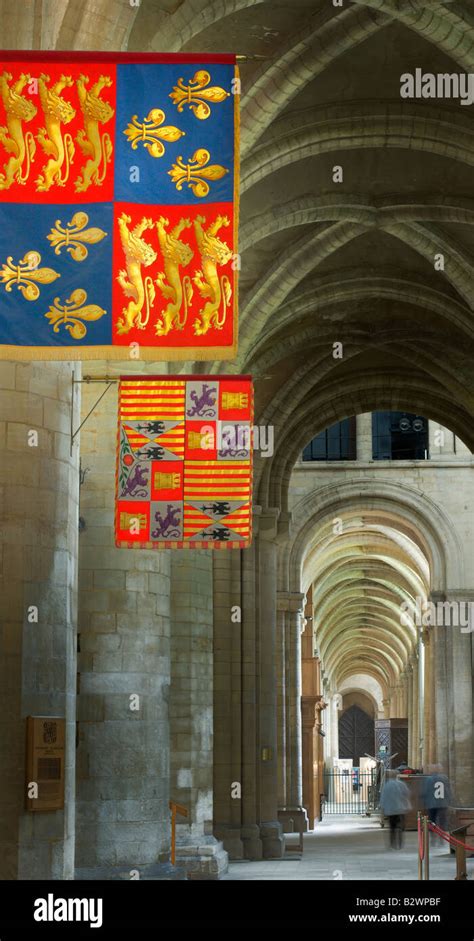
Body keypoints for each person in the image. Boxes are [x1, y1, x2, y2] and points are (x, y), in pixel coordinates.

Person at [379, 770, 412, 848]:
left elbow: (383, 798)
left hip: (391, 810)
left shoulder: (387, 786)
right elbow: (407, 793)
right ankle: (400, 843)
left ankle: (392, 843)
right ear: (397, 776)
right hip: (400, 809)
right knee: (400, 827)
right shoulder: (401, 784)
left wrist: (383, 808)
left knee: (392, 828)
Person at [424, 764, 452, 834]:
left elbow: (426, 791)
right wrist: (449, 800)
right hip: (443, 802)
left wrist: (425, 801)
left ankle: (432, 834)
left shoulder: (429, 779)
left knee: (432, 819)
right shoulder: (444, 778)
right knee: (442, 820)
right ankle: (442, 834)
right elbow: (447, 791)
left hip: (432, 803)